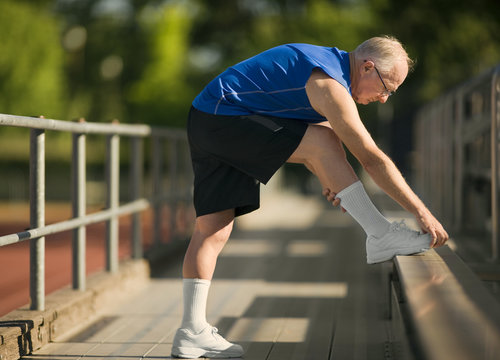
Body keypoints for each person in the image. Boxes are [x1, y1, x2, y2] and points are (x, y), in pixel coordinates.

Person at [171, 35, 449, 359]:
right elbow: (369, 159)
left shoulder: (327, 69)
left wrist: (328, 178)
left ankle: (191, 332)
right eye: (387, 87)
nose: (385, 98)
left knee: (212, 230)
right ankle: (380, 234)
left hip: (207, 115)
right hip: (225, 117)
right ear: (368, 67)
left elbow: (307, 144)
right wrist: (422, 213)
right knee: (325, 140)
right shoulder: (329, 85)